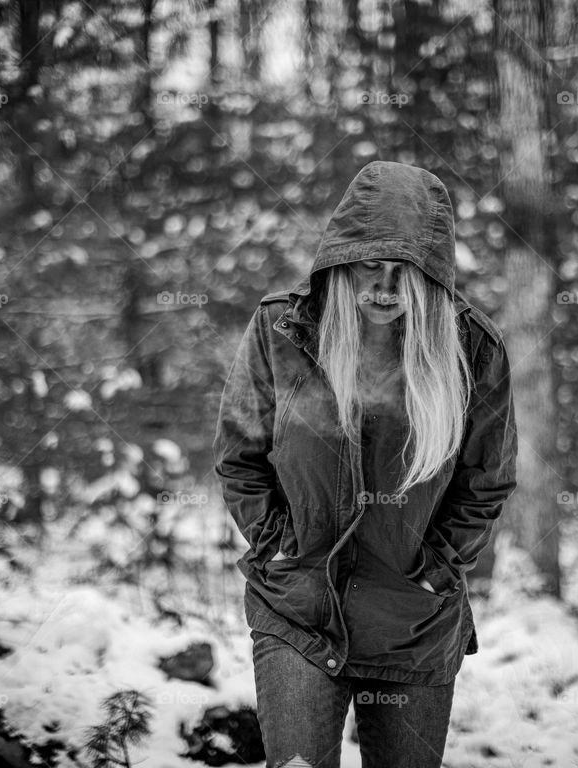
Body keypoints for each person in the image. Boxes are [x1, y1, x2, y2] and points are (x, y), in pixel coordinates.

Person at [214, 160, 519, 768]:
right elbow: (240, 458)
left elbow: (486, 483)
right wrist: (279, 547)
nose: (381, 288)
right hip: (298, 609)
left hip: (412, 622)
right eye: (367, 267)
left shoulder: (473, 351)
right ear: (339, 261)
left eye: (402, 273)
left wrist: (435, 571)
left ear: (430, 278)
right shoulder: (282, 330)